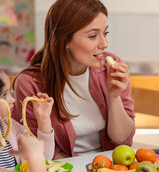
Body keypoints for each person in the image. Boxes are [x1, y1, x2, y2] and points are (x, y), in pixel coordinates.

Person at [12, 0, 135, 159]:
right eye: (93, 36)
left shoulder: (113, 68)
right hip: (64, 171)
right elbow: (34, 149)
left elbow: (123, 140)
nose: (104, 44)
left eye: (105, 33)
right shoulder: (30, 83)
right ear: (65, 40)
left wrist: (115, 97)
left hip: (109, 166)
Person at [0, 66, 54, 168]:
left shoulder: (12, 127)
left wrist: (44, 120)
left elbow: (43, 157)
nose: (12, 100)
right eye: (3, 95)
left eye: (10, 92)